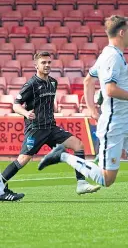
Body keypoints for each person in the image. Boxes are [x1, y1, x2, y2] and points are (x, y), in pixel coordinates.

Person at [38, 15, 128, 226]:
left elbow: (89, 80)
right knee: (107, 179)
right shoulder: (112, 57)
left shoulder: (111, 54)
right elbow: (109, 89)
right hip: (114, 124)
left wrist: (91, 108)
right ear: (122, 33)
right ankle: (63, 156)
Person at [0, 52, 101, 202]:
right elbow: (16, 106)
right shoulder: (31, 84)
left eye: (49, 62)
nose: (47, 65)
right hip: (36, 128)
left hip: (51, 127)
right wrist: (27, 114)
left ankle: (81, 183)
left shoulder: (53, 82)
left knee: (78, 145)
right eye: (43, 63)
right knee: (23, 159)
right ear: (36, 66)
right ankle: (1, 187)